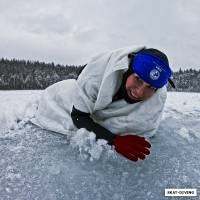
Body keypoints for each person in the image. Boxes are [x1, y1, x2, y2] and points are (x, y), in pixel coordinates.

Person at [31, 45, 175, 162]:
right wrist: (114, 140)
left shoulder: (158, 97)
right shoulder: (95, 75)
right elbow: (78, 115)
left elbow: (146, 127)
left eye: (150, 87)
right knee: (68, 90)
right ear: (128, 70)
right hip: (89, 82)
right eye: (138, 79)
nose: (139, 92)